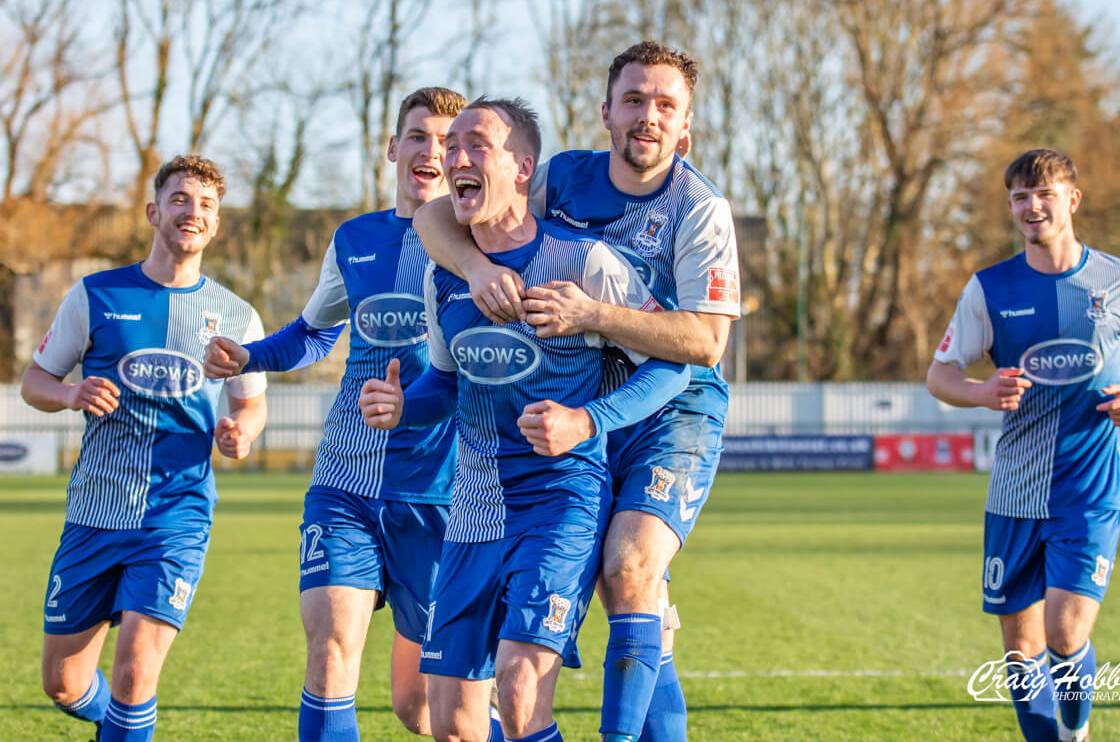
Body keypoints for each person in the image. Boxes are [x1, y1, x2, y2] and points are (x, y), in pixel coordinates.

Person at [413, 41, 740, 742]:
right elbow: (438, 217)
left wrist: (592, 315)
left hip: (674, 407)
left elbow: (706, 345)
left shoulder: (701, 209)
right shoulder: (563, 178)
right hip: (584, 394)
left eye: (665, 105)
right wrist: (473, 268)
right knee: (640, 602)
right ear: (607, 111)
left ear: (686, 125)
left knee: (627, 570)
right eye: (633, 100)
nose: (647, 117)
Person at [361, 97, 690, 742]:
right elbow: (447, 382)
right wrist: (404, 407)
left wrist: (586, 421)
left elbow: (670, 364)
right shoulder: (444, 277)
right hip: (472, 508)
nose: (453, 156)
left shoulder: (584, 263)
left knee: (517, 691)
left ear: (522, 167)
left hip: (560, 498)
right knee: (451, 722)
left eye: (475, 144)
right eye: (450, 145)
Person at [202, 87, 471, 741]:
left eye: (445, 140)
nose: (429, 151)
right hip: (344, 487)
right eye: (416, 135)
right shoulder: (355, 240)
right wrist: (248, 355)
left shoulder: (479, 245)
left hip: (439, 495)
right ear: (392, 148)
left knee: (430, 713)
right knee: (329, 653)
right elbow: (312, 333)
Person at [22, 155, 268, 742]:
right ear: (155, 211)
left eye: (207, 204)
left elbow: (251, 403)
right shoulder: (94, 295)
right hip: (93, 513)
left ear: (216, 225)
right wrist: (70, 391)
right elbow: (35, 383)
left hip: (175, 515)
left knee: (135, 672)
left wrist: (242, 432)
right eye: (181, 199)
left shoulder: (236, 316)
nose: (194, 211)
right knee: (62, 682)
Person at [926, 148, 1120, 742]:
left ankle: (1076, 729)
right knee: (1021, 650)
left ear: (1072, 200)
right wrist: (982, 392)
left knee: (1064, 634)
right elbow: (941, 373)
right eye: (1020, 198)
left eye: (1045, 194)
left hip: (1089, 485)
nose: (1032, 207)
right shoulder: (990, 288)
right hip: (1014, 491)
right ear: (1010, 205)